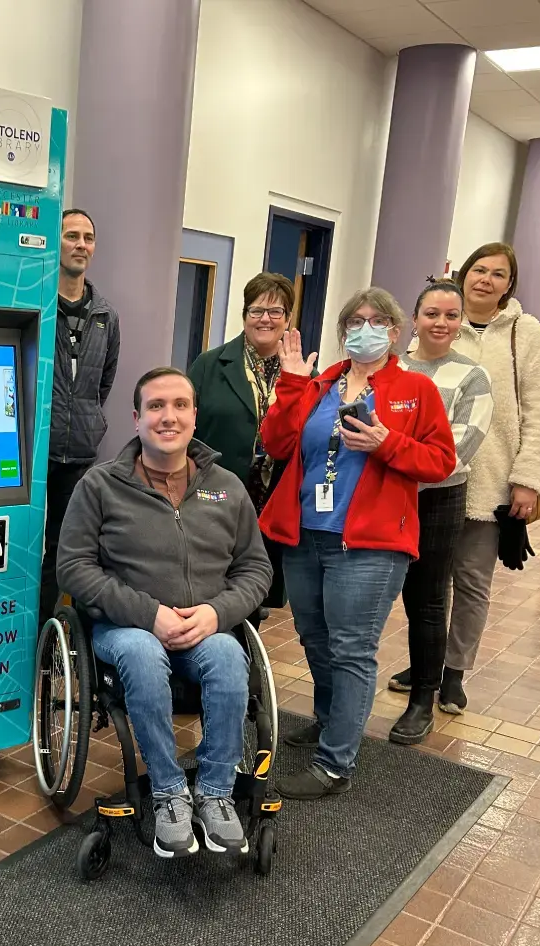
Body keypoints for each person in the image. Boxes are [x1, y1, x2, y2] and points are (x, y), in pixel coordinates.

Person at [56, 367, 273, 858]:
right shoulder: (100, 486)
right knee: (138, 651)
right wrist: (149, 614)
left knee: (226, 655)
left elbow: (256, 570)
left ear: (195, 416)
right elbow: (72, 568)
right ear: (136, 419)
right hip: (124, 628)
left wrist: (217, 614)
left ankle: (215, 791)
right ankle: (169, 792)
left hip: (205, 627)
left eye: (179, 405)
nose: (168, 416)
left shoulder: (228, 487)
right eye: (155, 407)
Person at [258, 289, 456, 800]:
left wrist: (386, 444)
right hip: (305, 534)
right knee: (314, 637)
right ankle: (330, 722)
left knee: (351, 649)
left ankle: (335, 761)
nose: (364, 328)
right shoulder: (321, 381)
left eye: (377, 321)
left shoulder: (416, 388)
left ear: (395, 331)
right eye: (354, 320)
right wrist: (293, 381)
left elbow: (440, 462)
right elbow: (277, 442)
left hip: (368, 545)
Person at [425, 242, 540, 715]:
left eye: (498, 274)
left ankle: (454, 672)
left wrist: (528, 479)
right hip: (433, 480)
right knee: (426, 583)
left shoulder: (525, 333)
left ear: (509, 284)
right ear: (463, 273)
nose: (486, 279)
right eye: (479, 269)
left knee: (472, 581)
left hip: (491, 483)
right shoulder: (442, 323)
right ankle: (426, 663)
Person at [387, 280, 493, 743]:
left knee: (427, 598)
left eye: (452, 315)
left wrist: (393, 457)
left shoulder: (472, 378)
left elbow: (455, 452)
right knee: (369, 595)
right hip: (384, 495)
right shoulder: (391, 370)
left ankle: (421, 701)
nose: (442, 323)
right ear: (415, 319)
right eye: (432, 313)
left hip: (437, 498)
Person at [188, 271, 305, 609]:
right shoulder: (210, 365)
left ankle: (248, 657)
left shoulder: (303, 373)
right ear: (244, 315)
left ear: (288, 318)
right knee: (210, 588)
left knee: (254, 590)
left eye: (276, 311)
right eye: (256, 310)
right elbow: (187, 430)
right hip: (216, 497)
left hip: (274, 500)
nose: (265, 319)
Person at [39, 209, 121, 628]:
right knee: (23, 541)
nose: (81, 245)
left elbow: (103, 383)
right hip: (35, 449)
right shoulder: (36, 302)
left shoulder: (106, 315)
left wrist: (84, 415)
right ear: (57, 243)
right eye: (72, 236)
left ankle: (46, 629)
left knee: (65, 545)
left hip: (81, 451)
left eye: (88, 238)